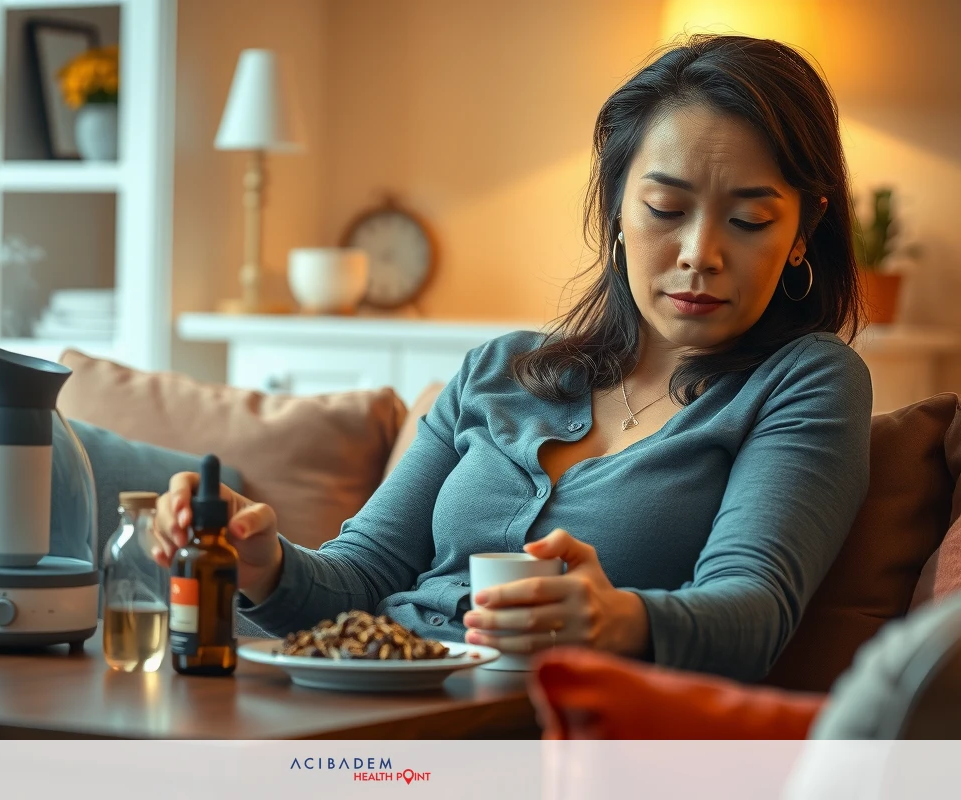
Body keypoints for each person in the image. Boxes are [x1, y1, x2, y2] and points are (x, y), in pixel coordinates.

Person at [153, 34, 873, 682]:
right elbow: (364, 573)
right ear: (617, 210)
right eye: (665, 208)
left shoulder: (804, 381)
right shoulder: (502, 370)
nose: (700, 255)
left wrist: (618, 619)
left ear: (803, 231)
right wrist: (261, 562)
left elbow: (753, 611)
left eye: (751, 219)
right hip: (370, 708)